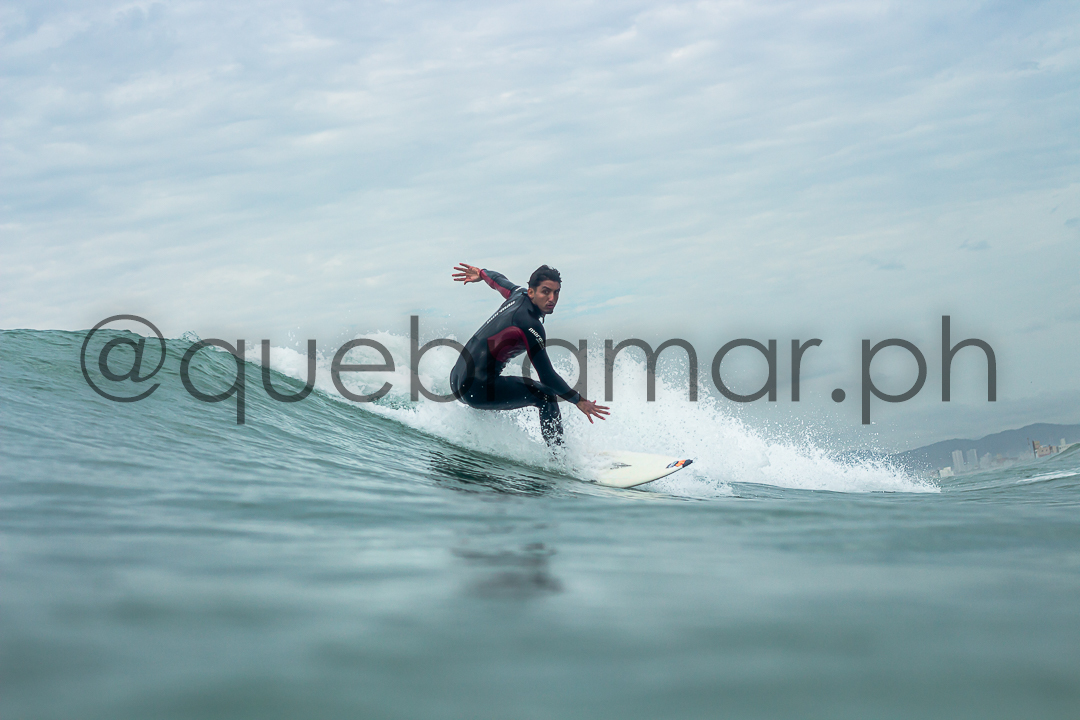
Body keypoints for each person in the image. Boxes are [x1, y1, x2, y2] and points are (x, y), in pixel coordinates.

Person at [449, 262, 609, 446]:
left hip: (456, 379)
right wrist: (578, 400)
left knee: (504, 388)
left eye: (556, 292)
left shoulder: (518, 293)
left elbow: (498, 280)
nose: (552, 298)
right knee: (546, 396)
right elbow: (547, 376)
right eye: (545, 292)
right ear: (531, 292)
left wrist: (481, 273)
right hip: (475, 389)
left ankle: (477, 439)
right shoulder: (530, 325)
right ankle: (559, 456)